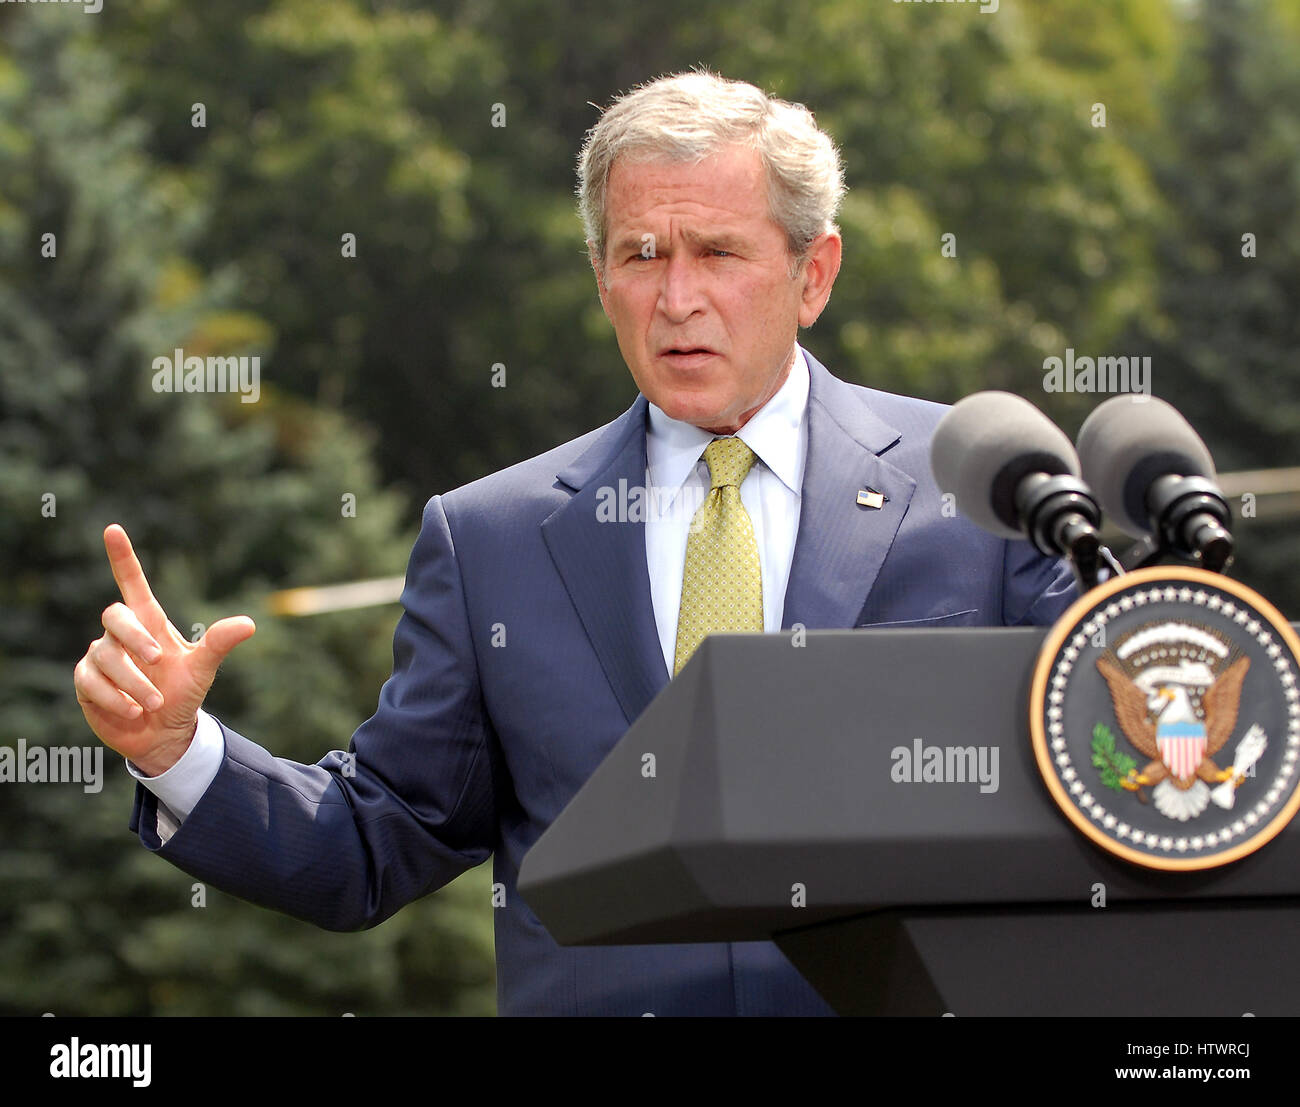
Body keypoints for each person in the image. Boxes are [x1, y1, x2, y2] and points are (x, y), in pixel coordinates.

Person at [74, 70, 1077, 1016]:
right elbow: (378, 839)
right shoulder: (489, 541)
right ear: (601, 276)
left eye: (718, 254)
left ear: (812, 274)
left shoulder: (981, 488)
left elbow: (1094, 780)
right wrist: (180, 754)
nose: (675, 297)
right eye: (642, 254)